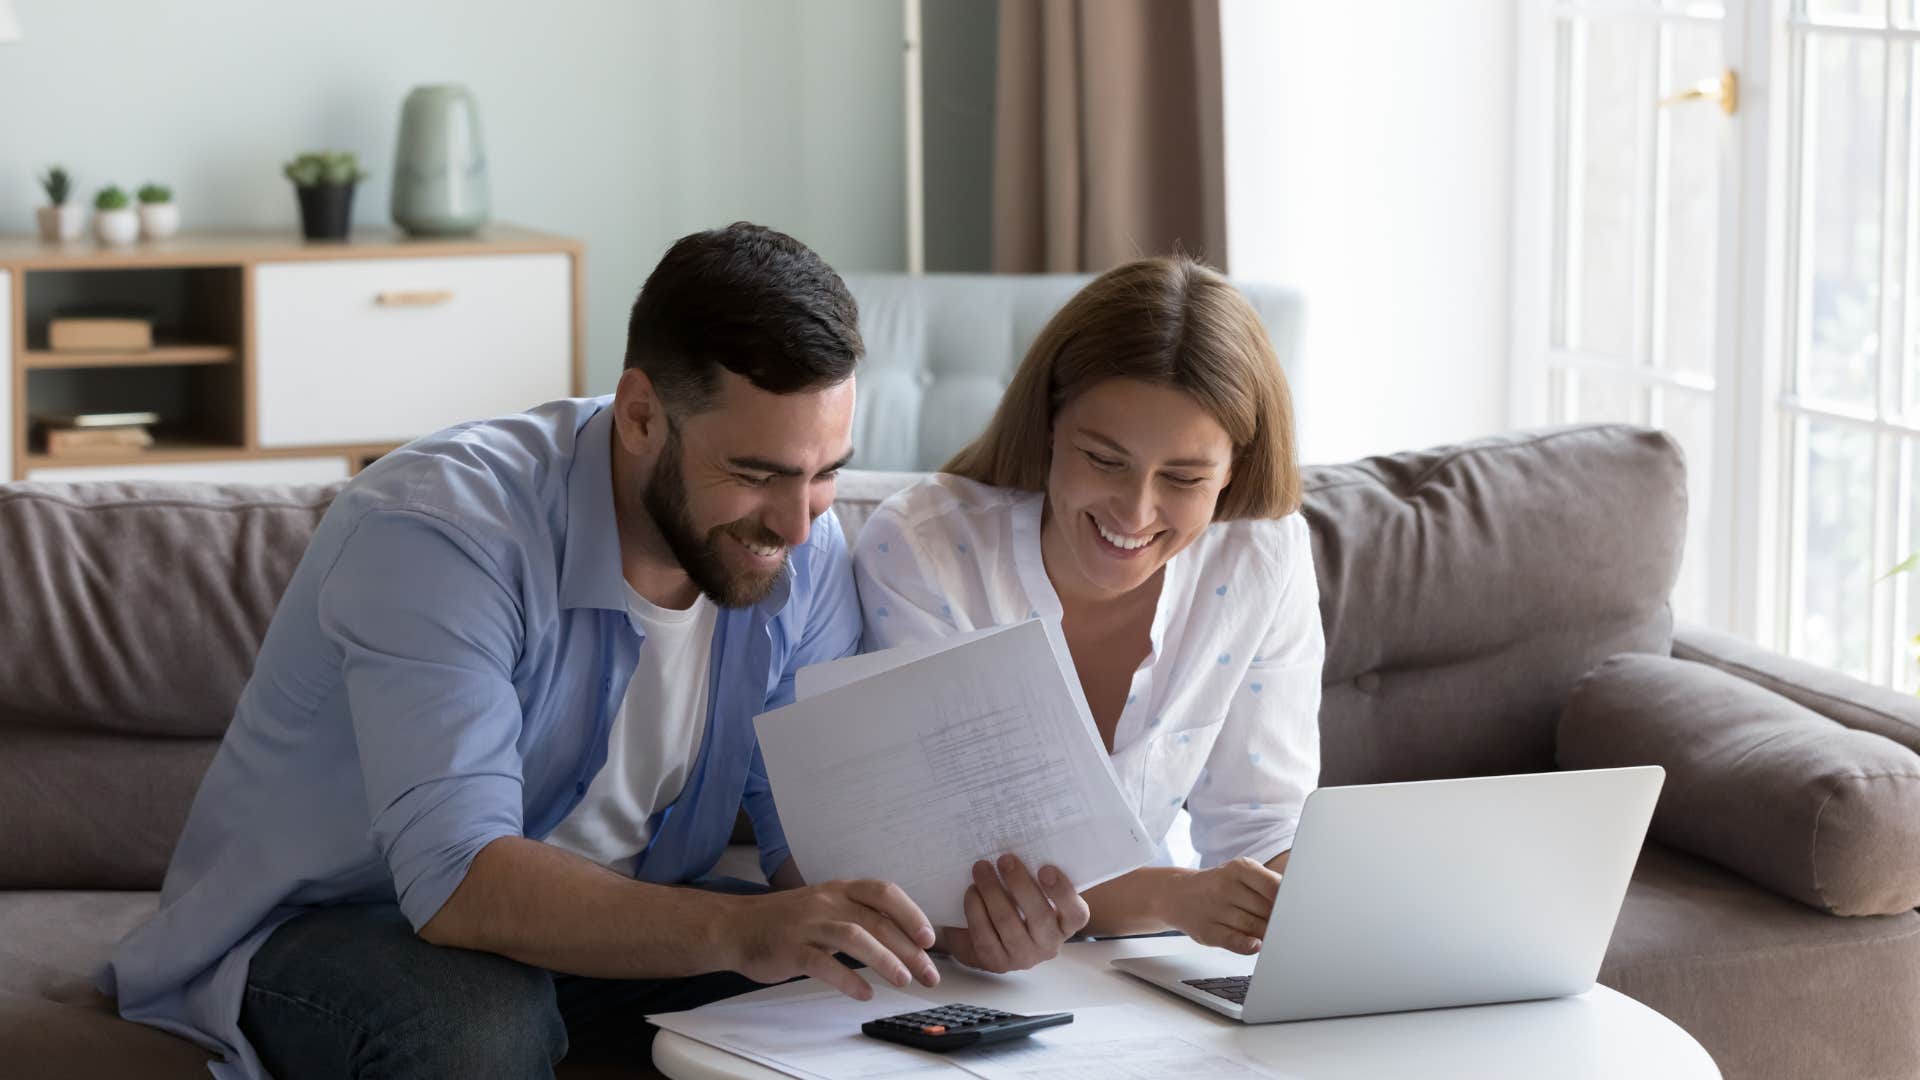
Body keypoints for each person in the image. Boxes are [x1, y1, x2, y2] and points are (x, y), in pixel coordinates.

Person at [103, 223, 1076, 1080]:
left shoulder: (801, 549)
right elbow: (458, 883)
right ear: (642, 414)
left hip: (623, 916)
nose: (797, 519)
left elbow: (809, 855)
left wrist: (949, 925)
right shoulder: (439, 533)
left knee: (872, 999)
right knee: (474, 1025)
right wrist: (742, 932)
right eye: (756, 473)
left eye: (828, 472)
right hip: (347, 928)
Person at [853, 255, 1323, 967]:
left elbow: (1263, 826)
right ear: (1048, 426)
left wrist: (1313, 908)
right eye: (1104, 460)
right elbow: (953, 865)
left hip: (1138, 973)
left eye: (1185, 478)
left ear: (1235, 470)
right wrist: (1172, 897)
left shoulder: (1262, 555)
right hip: (955, 977)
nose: (1135, 512)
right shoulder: (924, 551)